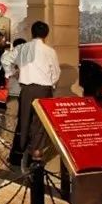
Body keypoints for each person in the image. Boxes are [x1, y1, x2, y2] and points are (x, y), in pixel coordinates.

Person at [14, 21, 60, 164]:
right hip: (43, 90)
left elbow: (16, 66)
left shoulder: (23, 49)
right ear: (46, 34)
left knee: (24, 120)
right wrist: (51, 84)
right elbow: (56, 73)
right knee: (39, 122)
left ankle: (21, 150)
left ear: (32, 33)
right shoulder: (49, 51)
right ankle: (36, 153)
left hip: (26, 89)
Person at [0, 37, 26, 153]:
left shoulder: (26, 58)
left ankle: (16, 141)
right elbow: (7, 66)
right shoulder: (9, 56)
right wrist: (14, 72)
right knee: (11, 116)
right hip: (14, 92)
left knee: (18, 117)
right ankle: (9, 140)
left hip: (23, 92)